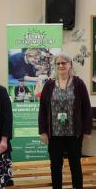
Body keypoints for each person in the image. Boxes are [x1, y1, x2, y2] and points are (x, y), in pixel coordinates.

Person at [38, 52, 92, 189]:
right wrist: (43, 131)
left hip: (73, 134)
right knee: (55, 167)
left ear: (70, 65)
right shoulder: (49, 85)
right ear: (55, 66)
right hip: (54, 134)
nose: (61, 65)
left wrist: (86, 130)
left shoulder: (78, 83)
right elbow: (43, 109)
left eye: (64, 63)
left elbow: (86, 108)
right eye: (58, 63)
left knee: (75, 166)